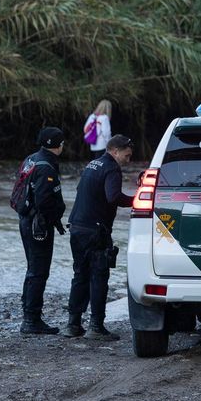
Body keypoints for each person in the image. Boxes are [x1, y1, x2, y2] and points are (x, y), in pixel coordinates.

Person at [64, 135, 136, 340]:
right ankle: (96, 326)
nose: (128, 160)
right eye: (127, 155)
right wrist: (136, 199)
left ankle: (73, 324)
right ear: (115, 151)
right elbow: (113, 196)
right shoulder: (112, 168)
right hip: (96, 231)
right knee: (98, 276)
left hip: (77, 226)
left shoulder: (92, 164)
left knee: (80, 274)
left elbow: (81, 190)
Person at [18, 127, 67, 335]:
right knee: (39, 271)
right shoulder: (47, 167)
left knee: (33, 268)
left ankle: (29, 315)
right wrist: (54, 218)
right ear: (59, 145)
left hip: (26, 220)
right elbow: (44, 201)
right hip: (38, 224)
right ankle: (31, 319)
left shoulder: (31, 159)